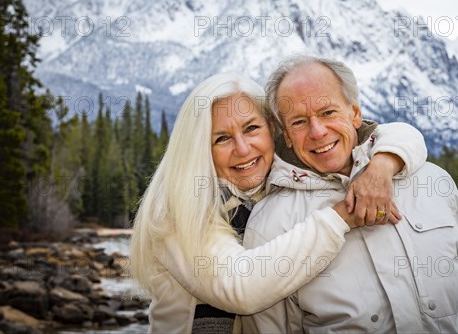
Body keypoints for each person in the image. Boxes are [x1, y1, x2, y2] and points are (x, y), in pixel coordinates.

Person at [129, 73, 428, 333]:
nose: (243, 149)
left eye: (251, 129)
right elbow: (239, 288)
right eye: (221, 139)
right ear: (199, 149)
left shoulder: (279, 176)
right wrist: (341, 217)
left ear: (273, 130)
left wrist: (381, 167)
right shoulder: (175, 207)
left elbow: (395, 132)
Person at [243, 55, 458, 333]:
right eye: (299, 122)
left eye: (328, 112)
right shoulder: (268, 225)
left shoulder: (434, 182)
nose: (318, 131)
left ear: (355, 113)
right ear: (286, 135)